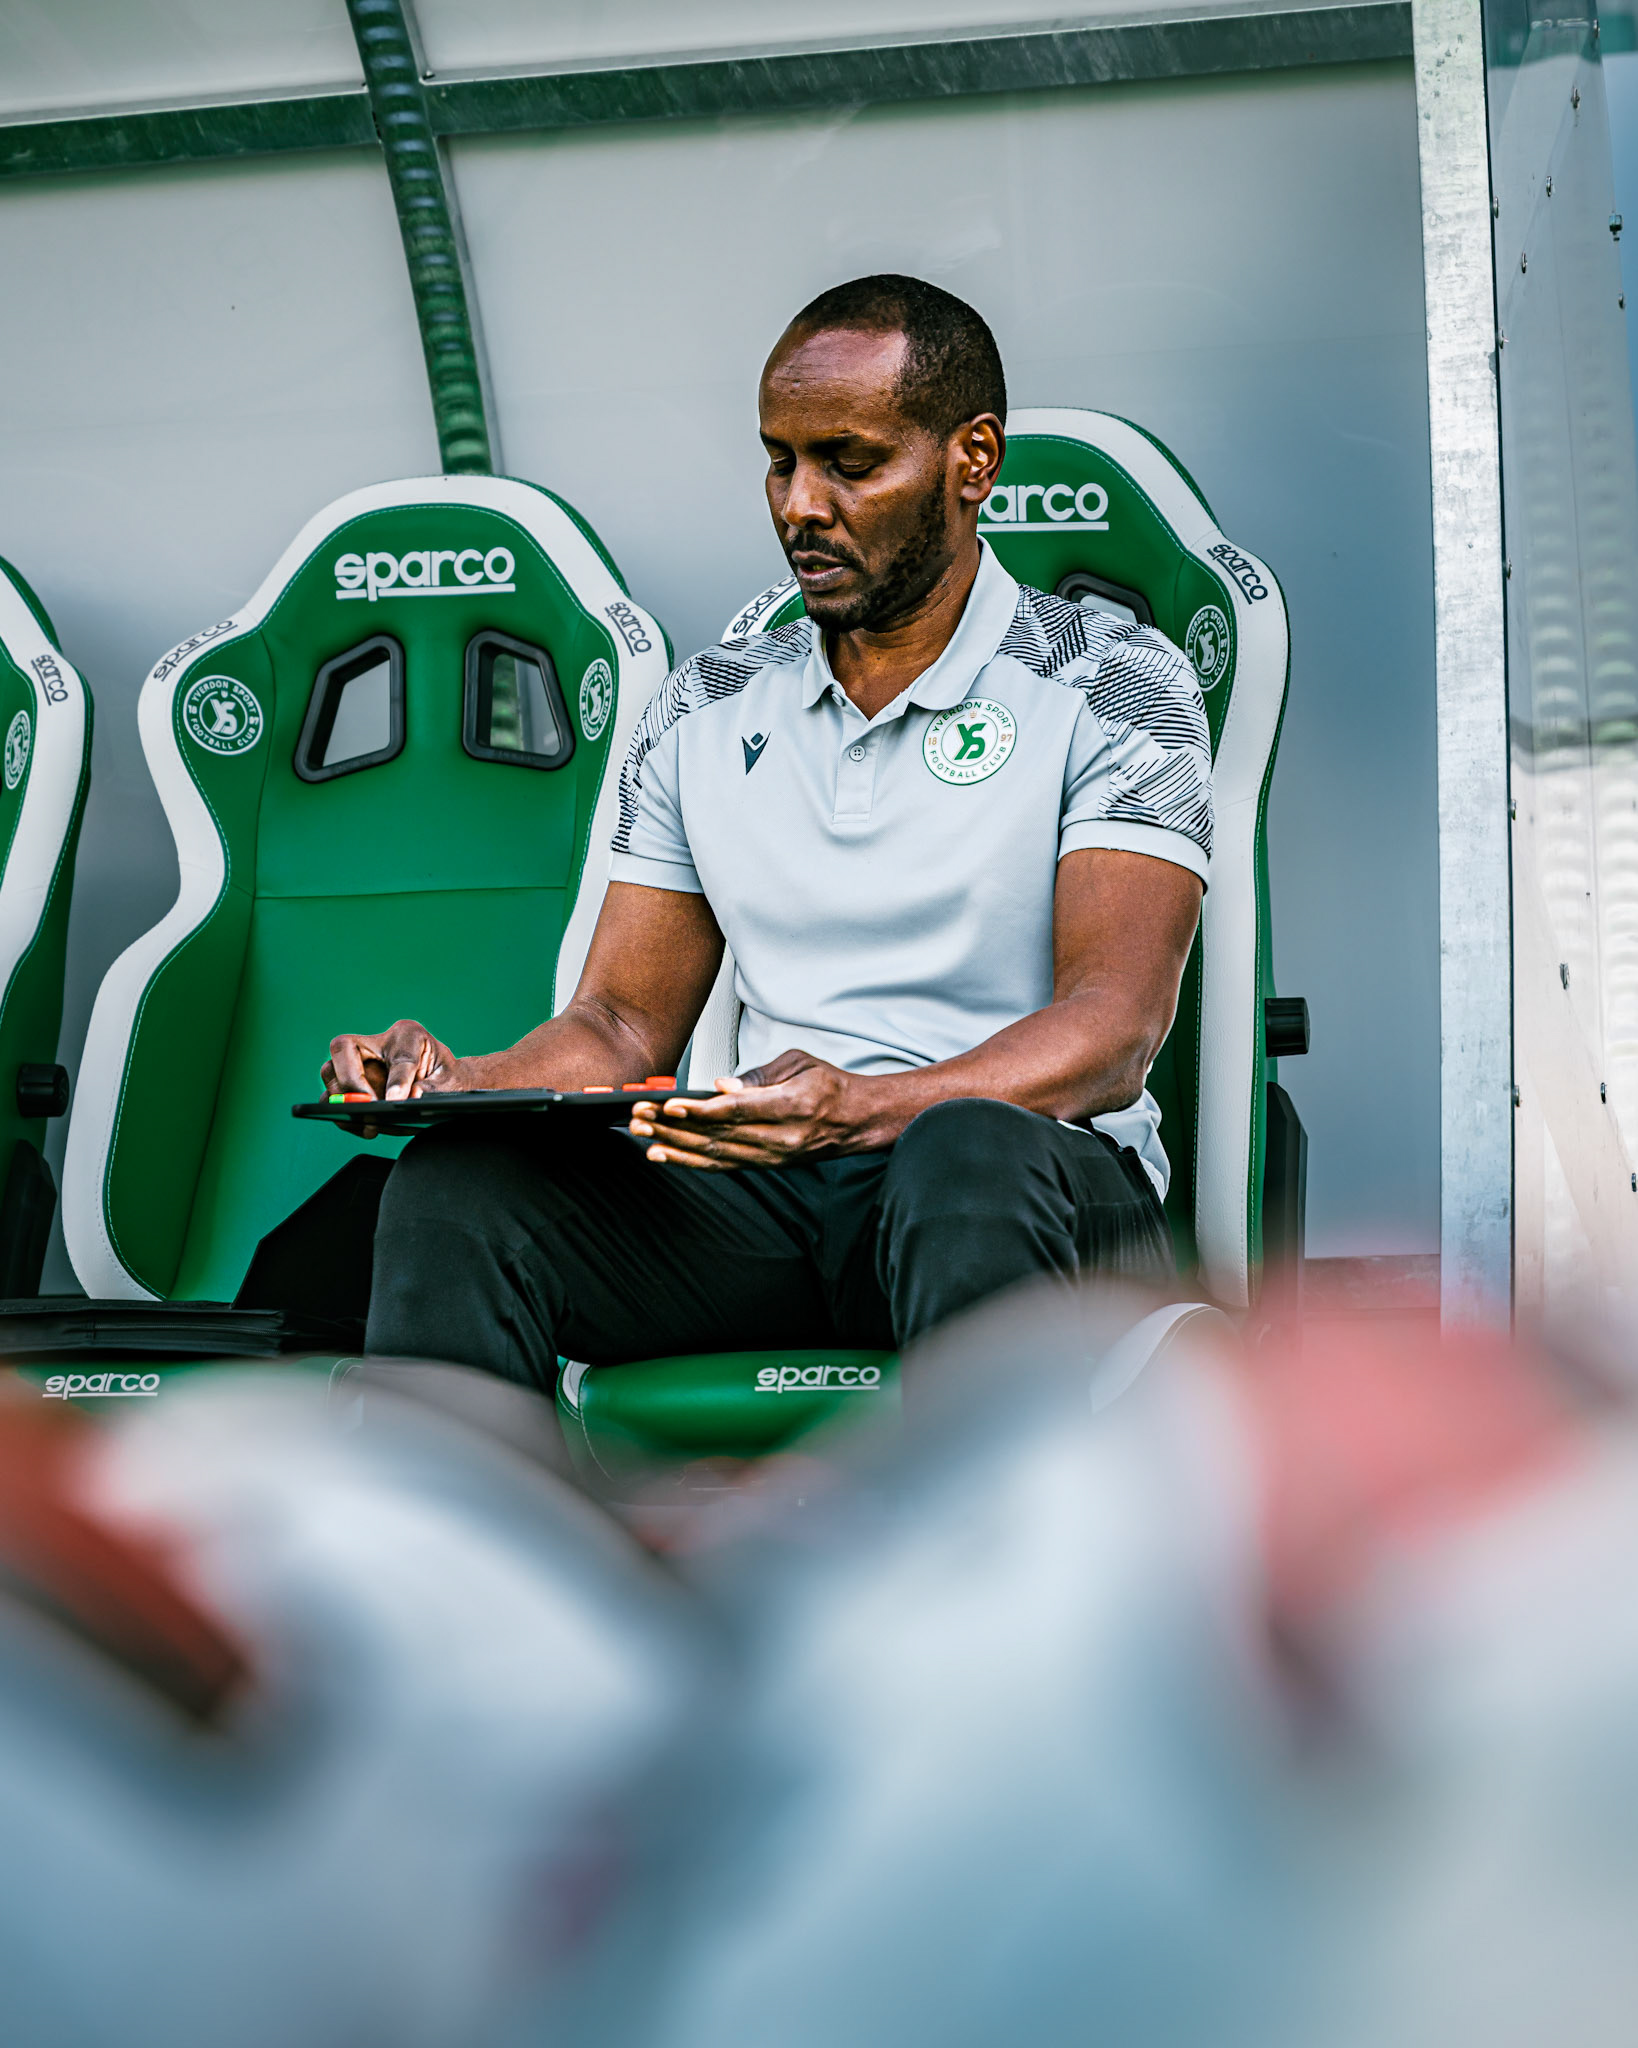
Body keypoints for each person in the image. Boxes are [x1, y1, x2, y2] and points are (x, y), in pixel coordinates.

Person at [324, 275, 1211, 1389]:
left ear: (972, 460)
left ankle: (991, 1554)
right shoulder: (706, 704)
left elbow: (1114, 1024)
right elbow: (618, 1022)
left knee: (964, 1148)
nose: (800, 504)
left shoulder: (1116, 679)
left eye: (849, 461)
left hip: (1035, 1182)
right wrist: (460, 1085)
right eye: (779, 460)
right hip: (780, 1188)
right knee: (461, 1191)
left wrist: (864, 1108)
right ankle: (476, 1555)